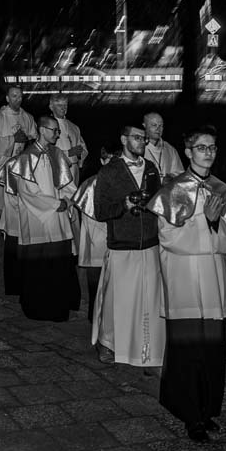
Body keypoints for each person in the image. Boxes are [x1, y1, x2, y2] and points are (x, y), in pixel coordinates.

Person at [149, 125, 226, 441]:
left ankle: (207, 409)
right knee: (187, 352)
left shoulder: (222, 190)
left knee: (212, 352)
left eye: (212, 147)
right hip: (184, 281)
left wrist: (216, 224)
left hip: (213, 280)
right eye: (202, 147)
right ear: (188, 152)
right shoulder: (173, 190)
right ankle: (189, 413)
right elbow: (169, 237)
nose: (208, 153)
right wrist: (205, 221)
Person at [91, 124, 164, 369]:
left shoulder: (151, 168)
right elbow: (100, 211)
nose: (142, 142)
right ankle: (108, 343)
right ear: (124, 140)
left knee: (148, 300)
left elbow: (158, 202)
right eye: (137, 137)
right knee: (117, 299)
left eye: (144, 138)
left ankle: (145, 345)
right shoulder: (109, 172)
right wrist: (124, 204)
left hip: (150, 242)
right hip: (122, 243)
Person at [3, 115, 80, 322]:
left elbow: (67, 184)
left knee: (58, 265)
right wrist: (55, 204)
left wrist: (70, 200)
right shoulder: (26, 159)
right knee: (39, 266)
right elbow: (27, 192)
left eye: (58, 130)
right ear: (42, 130)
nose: (57, 134)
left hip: (58, 218)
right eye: (54, 130)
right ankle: (37, 308)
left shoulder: (57, 154)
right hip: (36, 218)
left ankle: (59, 307)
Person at [0, 85, 38, 294]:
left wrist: (27, 140)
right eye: (14, 96)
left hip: (23, 167)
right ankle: (6, 234)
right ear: (7, 98)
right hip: (6, 165)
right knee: (5, 205)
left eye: (20, 96)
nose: (18, 99)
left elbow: (35, 137)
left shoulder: (27, 117)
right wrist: (12, 140)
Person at [72, 143, 115, 324]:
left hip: (115, 239)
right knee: (96, 279)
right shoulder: (91, 184)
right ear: (102, 161)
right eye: (109, 160)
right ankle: (93, 313)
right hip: (96, 237)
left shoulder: (122, 183)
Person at [48, 93, 88, 174]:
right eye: (59, 105)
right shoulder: (46, 125)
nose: (63, 108)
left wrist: (80, 154)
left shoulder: (74, 127)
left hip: (74, 170)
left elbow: (83, 149)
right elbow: (44, 150)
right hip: (56, 169)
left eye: (65, 105)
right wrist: (68, 153)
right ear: (51, 107)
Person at [143, 112, 183, 180]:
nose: (158, 129)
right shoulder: (139, 147)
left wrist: (170, 177)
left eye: (161, 125)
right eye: (154, 125)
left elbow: (180, 173)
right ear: (144, 126)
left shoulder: (170, 149)